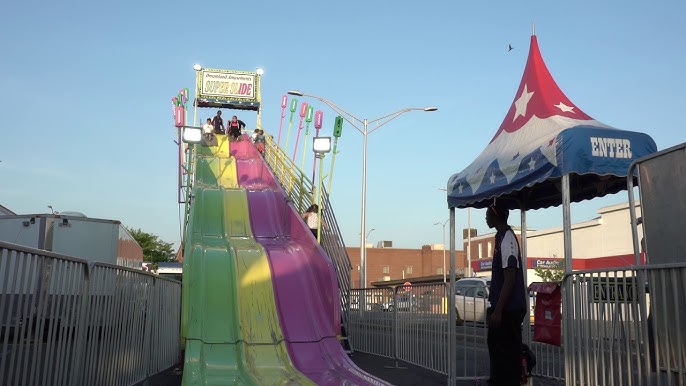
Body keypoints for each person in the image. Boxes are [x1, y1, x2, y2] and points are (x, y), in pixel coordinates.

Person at [485, 200, 526, 386]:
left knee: (508, 355)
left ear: (495, 216)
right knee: (496, 349)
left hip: (510, 309)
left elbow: (510, 279)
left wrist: (499, 310)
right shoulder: (500, 237)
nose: (485, 217)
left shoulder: (507, 239)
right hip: (502, 307)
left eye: (487, 214)